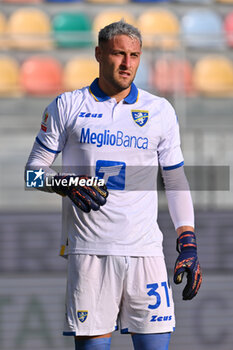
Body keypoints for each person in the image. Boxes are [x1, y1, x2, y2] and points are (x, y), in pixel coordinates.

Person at [25, 20, 202, 350]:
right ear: (98, 54)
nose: (127, 63)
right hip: (91, 254)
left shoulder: (160, 110)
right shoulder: (68, 106)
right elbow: (32, 174)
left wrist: (187, 241)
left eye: (134, 55)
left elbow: (175, 178)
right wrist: (64, 183)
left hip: (146, 253)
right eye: (119, 54)